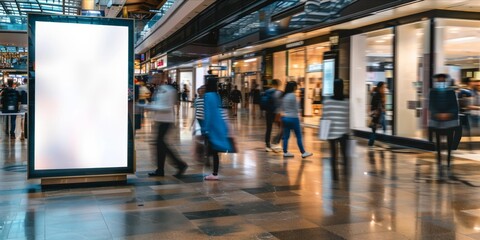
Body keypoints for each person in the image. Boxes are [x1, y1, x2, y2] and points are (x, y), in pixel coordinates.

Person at [146, 82, 188, 177]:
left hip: (166, 121)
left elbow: (168, 107)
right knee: (160, 145)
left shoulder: (170, 90)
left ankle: (179, 165)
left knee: (161, 144)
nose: (154, 79)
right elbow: (157, 103)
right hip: (160, 120)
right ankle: (161, 169)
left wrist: (150, 107)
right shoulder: (159, 90)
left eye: (157, 77)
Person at [203, 77, 233, 180]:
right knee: (214, 150)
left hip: (211, 126)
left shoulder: (207, 96)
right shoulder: (217, 95)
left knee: (211, 149)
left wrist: (205, 128)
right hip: (218, 125)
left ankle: (214, 173)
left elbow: (208, 113)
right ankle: (214, 172)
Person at [429, 74, 460, 167]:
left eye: (442, 81)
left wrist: (448, 114)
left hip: (449, 121)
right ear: (436, 82)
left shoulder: (451, 92)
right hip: (437, 120)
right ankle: (439, 159)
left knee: (449, 141)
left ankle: (449, 159)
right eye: (439, 81)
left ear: (446, 81)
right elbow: (431, 105)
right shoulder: (433, 92)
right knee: (437, 141)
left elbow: (455, 106)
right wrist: (437, 114)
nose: (441, 83)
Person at [281, 81, 312, 158]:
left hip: (285, 118)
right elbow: (297, 108)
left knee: (286, 136)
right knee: (298, 136)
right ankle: (303, 152)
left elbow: (283, 108)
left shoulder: (284, 96)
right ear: (293, 87)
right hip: (293, 118)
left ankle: (285, 151)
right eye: (296, 86)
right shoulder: (293, 96)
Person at [322, 79, 349, 166]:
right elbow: (348, 117)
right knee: (345, 155)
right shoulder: (346, 101)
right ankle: (346, 174)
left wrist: (324, 134)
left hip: (332, 131)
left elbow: (325, 117)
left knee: (334, 155)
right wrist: (349, 131)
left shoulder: (328, 101)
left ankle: (334, 176)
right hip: (343, 132)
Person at [264, 79, 283, 152]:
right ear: (277, 85)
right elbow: (279, 104)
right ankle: (276, 142)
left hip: (268, 112)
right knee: (281, 128)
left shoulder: (267, 91)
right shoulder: (278, 92)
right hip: (276, 113)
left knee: (269, 129)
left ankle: (267, 145)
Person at [368, 82, 386, 146]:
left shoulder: (379, 94)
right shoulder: (377, 95)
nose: (384, 88)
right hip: (378, 114)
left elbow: (373, 105)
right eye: (383, 87)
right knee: (381, 128)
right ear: (380, 87)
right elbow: (375, 105)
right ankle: (372, 142)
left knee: (376, 129)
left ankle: (371, 142)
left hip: (379, 114)